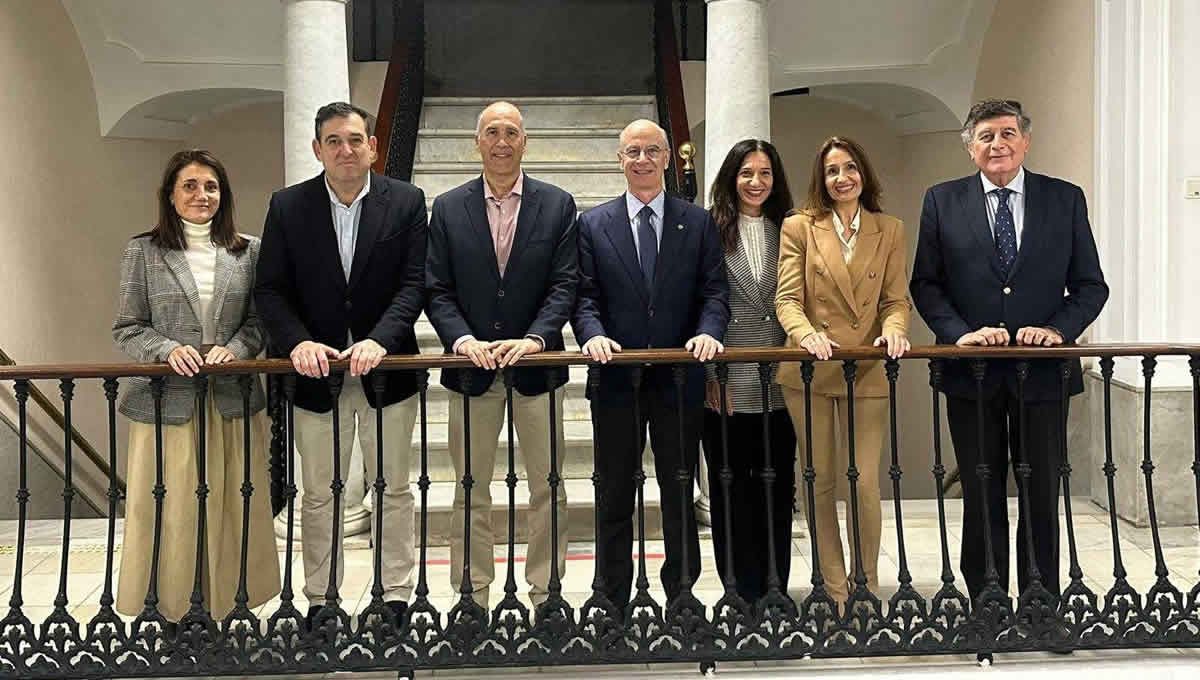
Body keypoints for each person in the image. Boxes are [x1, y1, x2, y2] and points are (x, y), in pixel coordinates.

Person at [910, 99, 1108, 609]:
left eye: (1006, 133)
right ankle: (987, 602)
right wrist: (961, 334)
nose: (997, 144)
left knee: (1041, 492)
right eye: (985, 136)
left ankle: (1042, 603)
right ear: (971, 148)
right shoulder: (942, 201)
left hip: (1043, 376)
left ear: (1025, 140)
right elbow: (926, 285)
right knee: (980, 491)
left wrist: (1057, 331)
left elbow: (1090, 286)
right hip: (971, 375)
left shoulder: (1064, 199)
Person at [255, 102, 427, 628]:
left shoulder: (407, 201)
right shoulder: (288, 206)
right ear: (317, 149)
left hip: (387, 372)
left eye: (355, 139)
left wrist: (381, 339)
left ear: (373, 146)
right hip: (315, 375)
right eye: (334, 141)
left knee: (393, 489)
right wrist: (297, 344)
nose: (346, 149)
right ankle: (322, 601)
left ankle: (393, 596)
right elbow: (269, 289)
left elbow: (414, 284)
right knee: (319, 492)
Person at [113, 149, 280, 627]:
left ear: (222, 194)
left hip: (232, 398)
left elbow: (259, 322)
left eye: (210, 186)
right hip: (168, 402)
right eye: (189, 186)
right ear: (170, 194)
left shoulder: (249, 250)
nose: (201, 195)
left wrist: (237, 349)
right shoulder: (142, 251)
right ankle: (171, 613)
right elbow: (127, 327)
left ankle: (230, 606)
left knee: (233, 503)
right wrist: (167, 350)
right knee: (173, 510)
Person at [425, 101, 578, 609]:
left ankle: (547, 593)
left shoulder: (557, 205)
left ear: (524, 141)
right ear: (478, 143)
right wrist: (462, 341)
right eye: (492, 131)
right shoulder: (447, 208)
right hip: (472, 370)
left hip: (537, 369)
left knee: (548, 487)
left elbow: (564, 284)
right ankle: (472, 595)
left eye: (511, 131)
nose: (502, 140)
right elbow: (436, 288)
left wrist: (535, 339)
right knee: (470, 489)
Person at [574, 119, 729, 612]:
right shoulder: (592, 224)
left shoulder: (697, 221)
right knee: (613, 493)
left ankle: (682, 597)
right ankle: (610, 600)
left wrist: (708, 331)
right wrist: (593, 335)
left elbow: (714, 293)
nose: (641, 160)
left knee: (680, 490)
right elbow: (584, 298)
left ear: (667, 158)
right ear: (619, 160)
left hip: (678, 379)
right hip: (615, 379)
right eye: (632, 152)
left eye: (651, 151)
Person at [774, 136, 911, 607]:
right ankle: (833, 592)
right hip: (811, 370)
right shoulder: (799, 227)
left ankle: (866, 588)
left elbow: (895, 300)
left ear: (863, 174)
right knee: (819, 480)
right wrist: (805, 333)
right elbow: (786, 298)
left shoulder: (889, 229)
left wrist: (894, 330)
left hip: (868, 368)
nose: (841, 178)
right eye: (831, 171)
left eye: (849, 168)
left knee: (865, 483)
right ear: (821, 179)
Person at [701, 139, 797, 604]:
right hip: (729, 380)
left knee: (777, 487)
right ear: (730, 179)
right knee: (730, 489)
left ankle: (775, 588)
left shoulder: (793, 229)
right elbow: (700, 304)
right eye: (746, 174)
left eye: (764, 173)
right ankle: (738, 589)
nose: (755, 183)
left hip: (782, 377)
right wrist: (710, 375)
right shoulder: (709, 228)